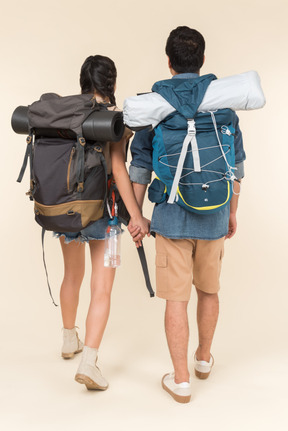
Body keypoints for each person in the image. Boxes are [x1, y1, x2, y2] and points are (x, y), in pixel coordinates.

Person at [128, 26, 246, 403]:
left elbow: (140, 170)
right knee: (209, 291)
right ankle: (204, 360)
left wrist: (138, 216)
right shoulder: (222, 105)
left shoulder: (155, 105)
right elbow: (236, 169)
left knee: (176, 300)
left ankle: (180, 381)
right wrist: (230, 212)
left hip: (171, 219)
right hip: (214, 217)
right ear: (203, 61)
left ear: (169, 62)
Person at [56, 55, 149, 391]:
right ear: (110, 82)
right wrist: (136, 216)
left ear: (83, 81)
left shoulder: (65, 114)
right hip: (106, 217)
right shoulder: (113, 121)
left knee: (72, 275)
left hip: (67, 210)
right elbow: (119, 170)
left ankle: (69, 338)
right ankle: (89, 362)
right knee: (102, 287)